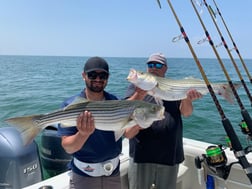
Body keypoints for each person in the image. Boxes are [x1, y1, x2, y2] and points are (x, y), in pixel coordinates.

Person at [124, 52, 202, 189]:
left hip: (169, 153)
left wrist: (187, 97)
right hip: (141, 153)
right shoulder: (135, 88)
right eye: (150, 65)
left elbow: (187, 113)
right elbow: (125, 111)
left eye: (158, 65)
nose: (153, 68)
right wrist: (139, 94)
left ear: (165, 68)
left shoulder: (174, 86)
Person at [57, 56, 122, 189]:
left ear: (108, 77)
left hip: (113, 174)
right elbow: (68, 147)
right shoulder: (70, 106)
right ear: (83, 75)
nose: (98, 79)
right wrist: (83, 134)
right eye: (92, 75)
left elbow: (127, 133)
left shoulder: (116, 102)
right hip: (84, 176)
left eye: (102, 75)